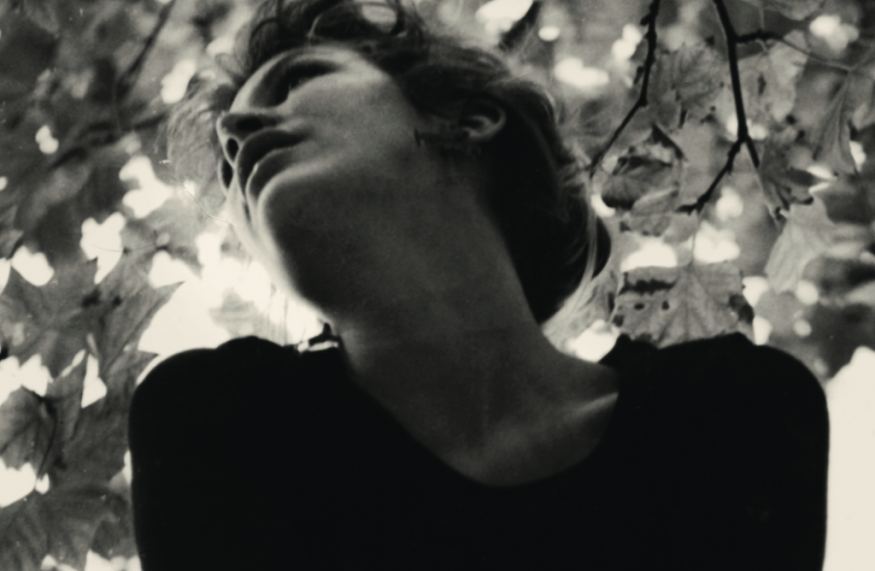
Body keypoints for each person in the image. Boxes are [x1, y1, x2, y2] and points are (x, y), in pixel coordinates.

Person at [128, 0, 829, 569]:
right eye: (227, 165)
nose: (238, 130)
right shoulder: (224, 426)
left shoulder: (727, 417)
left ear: (467, 121)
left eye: (296, 81)